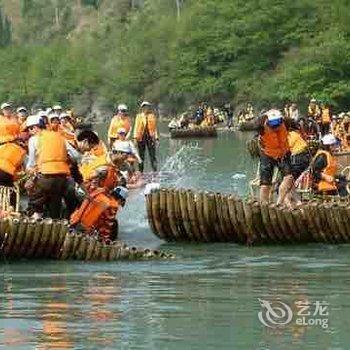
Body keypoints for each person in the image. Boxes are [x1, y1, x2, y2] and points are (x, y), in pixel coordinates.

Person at [25, 115, 76, 219]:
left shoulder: (34, 139)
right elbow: (76, 156)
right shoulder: (60, 137)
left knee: (35, 204)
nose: (29, 132)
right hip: (61, 179)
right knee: (55, 205)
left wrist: (29, 175)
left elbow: (31, 163)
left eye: (30, 129)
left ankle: (35, 219)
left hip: (45, 178)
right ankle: (56, 227)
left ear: (35, 127)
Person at [257, 109, 294, 207]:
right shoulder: (260, 126)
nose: (275, 126)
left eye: (277, 123)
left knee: (289, 177)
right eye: (272, 124)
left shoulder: (286, 122)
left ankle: (279, 203)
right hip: (267, 154)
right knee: (265, 183)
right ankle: (263, 205)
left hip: (283, 153)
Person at [133, 101, 159, 173]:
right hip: (141, 138)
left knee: (153, 156)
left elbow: (155, 128)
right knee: (141, 156)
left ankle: (155, 171)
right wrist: (135, 138)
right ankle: (141, 172)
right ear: (142, 108)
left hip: (150, 138)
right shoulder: (139, 116)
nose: (146, 108)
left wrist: (157, 138)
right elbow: (135, 127)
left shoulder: (152, 116)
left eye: (147, 106)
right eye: (144, 106)